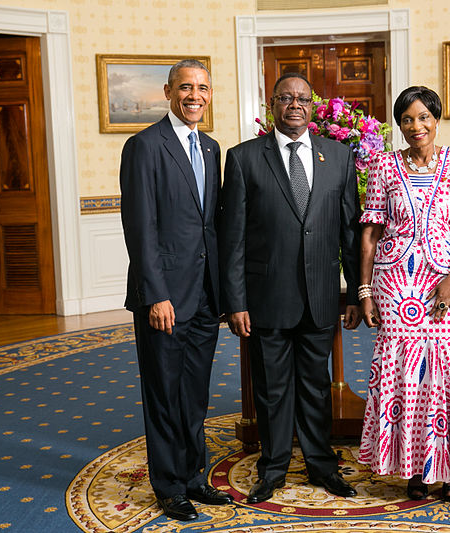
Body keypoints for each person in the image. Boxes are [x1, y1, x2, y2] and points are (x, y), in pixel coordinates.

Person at [218, 72, 362, 504]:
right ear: (272, 105)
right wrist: (235, 302)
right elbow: (233, 238)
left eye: (302, 98)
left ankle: (321, 465)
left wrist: (355, 292)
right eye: (285, 98)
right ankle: (273, 467)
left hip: (319, 297)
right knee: (272, 388)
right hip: (266, 298)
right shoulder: (242, 158)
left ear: (313, 106)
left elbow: (350, 233)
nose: (294, 104)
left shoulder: (338, 156)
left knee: (317, 385)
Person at [119, 59, 233, 522]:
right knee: (164, 394)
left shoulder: (210, 147)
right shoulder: (144, 146)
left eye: (202, 88)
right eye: (186, 87)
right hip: (164, 298)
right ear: (168, 91)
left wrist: (223, 290)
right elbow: (140, 228)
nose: (195, 95)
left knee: (194, 394)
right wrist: (156, 294)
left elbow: (211, 225)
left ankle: (192, 477)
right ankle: (168, 486)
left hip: (205, 295)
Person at [357, 86, 450, 502]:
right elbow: (370, 233)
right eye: (407, 119)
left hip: (442, 278)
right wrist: (365, 290)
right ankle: (412, 468)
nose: (416, 126)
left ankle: (449, 468)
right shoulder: (383, 164)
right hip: (394, 283)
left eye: (424, 117)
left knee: (445, 373)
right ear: (399, 124)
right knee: (403, 377)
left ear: (437, 118)